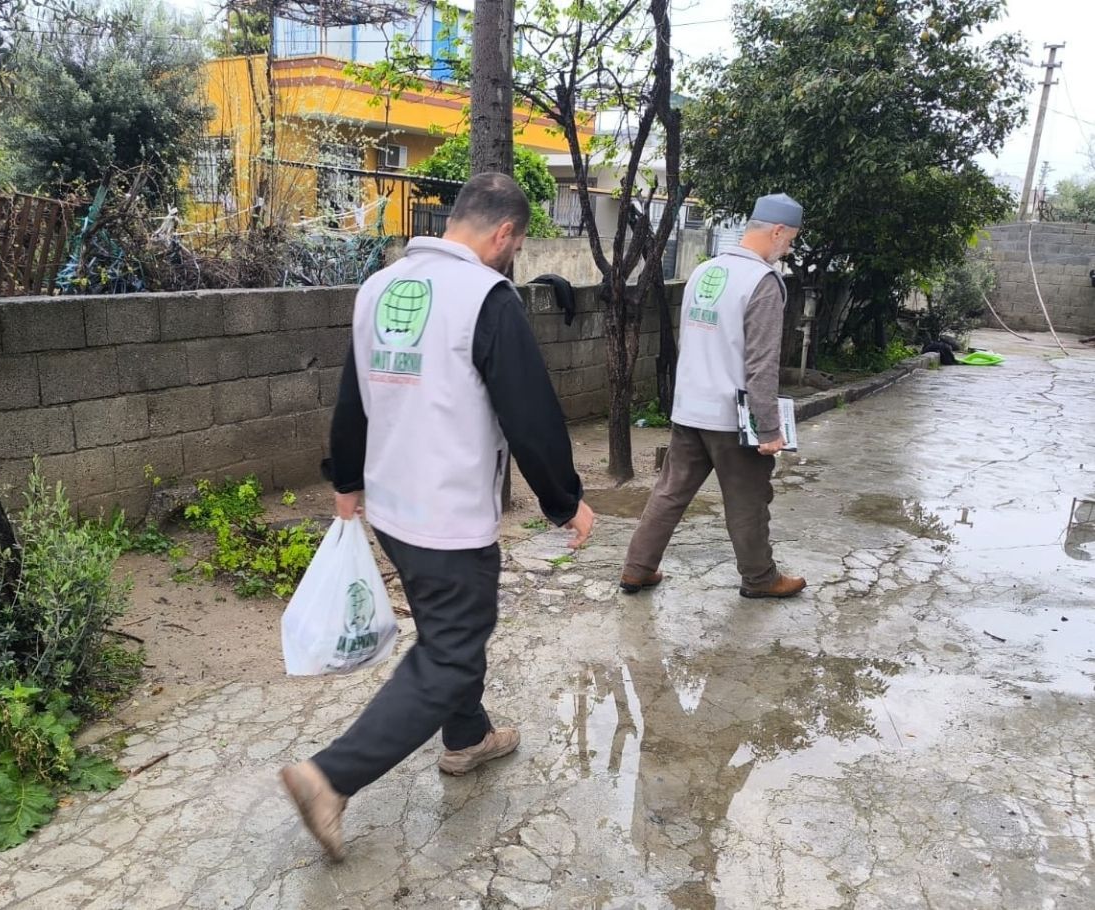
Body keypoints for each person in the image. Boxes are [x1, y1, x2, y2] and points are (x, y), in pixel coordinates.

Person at [279, 173, 596, 861]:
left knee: (449, 627)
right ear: (506, 235)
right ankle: (329, 778)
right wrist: (564, 501)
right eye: (516, 243)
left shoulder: (378, 288)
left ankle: (467, 738)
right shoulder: (488, 297)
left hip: (393, 507)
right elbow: (531, 414)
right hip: (449, 513)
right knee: (453, 650)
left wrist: (348, 481)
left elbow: (351, 397)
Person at [620, 192, 807, 600]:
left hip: (690, 408)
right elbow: (761, 363)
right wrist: (768, 428)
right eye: (790, 240)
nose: (788, 249)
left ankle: (637, 568)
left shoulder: (705, 271)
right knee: (748, 499)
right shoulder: (763, 282)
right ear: (777, 231)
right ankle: (760, 579)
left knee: (670, 492)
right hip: (731, 417)